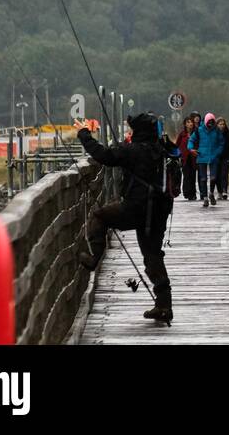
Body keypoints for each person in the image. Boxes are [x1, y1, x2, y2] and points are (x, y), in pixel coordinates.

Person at [76, 112, 175, 324]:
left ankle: (94, 258)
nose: (129, 132)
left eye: (132, 129)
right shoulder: (160, 149)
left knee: (100, 217)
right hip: (159, 210)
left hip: (137, 208)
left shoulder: (133, 150)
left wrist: (84, 134)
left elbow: (104, 156)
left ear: (138, 131)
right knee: (153, 255)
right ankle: (164, 305)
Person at [189, 112, 224, 207]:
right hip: (202, 156)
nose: (210, 125)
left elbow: (221, 143)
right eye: (209, 123)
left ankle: (211, 193)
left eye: (212, 123)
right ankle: (205, 198)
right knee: (203, 178)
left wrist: (218, 152)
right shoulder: (199, 130)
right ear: (205, 122)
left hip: (214, 156)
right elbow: (191, 140)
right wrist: (191, 149)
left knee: (213, 177)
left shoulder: (217, 131)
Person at [213, 117, 229, 201]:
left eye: (223, 124)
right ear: (217, 125)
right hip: (217, 157)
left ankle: (224, 191)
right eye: (220, 124)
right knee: (217, 176)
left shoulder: (228, 135)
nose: (222, 126)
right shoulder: (214, 135)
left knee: (224, 174)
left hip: (226, 157)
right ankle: (219, 192)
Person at [176, 114, 198, 200]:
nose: (190, 124)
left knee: (193, 176)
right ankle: (187, 193)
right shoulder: (182, 134)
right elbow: (177, 145)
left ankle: (193, 193)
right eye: (188, 122)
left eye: (191, 122)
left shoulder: (196, 133)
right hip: (184, 158)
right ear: (185, 124)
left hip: (193, 157)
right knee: (186, 175)